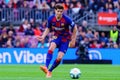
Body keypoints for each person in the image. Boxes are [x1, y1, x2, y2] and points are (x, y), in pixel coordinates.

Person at [37, 3, 77, 78]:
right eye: (58, 11)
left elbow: (75, 28)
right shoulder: (51, 19)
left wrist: (73, 40)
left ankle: (50, 71)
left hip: (65, 39)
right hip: (56, 37)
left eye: (61, 11)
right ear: (55, 11)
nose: (59, 13)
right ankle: (46, 66)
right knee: (51, 47)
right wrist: (43, 36)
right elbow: (48, 28)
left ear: (63, 11)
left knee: (59, 58)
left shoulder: (67, 19)